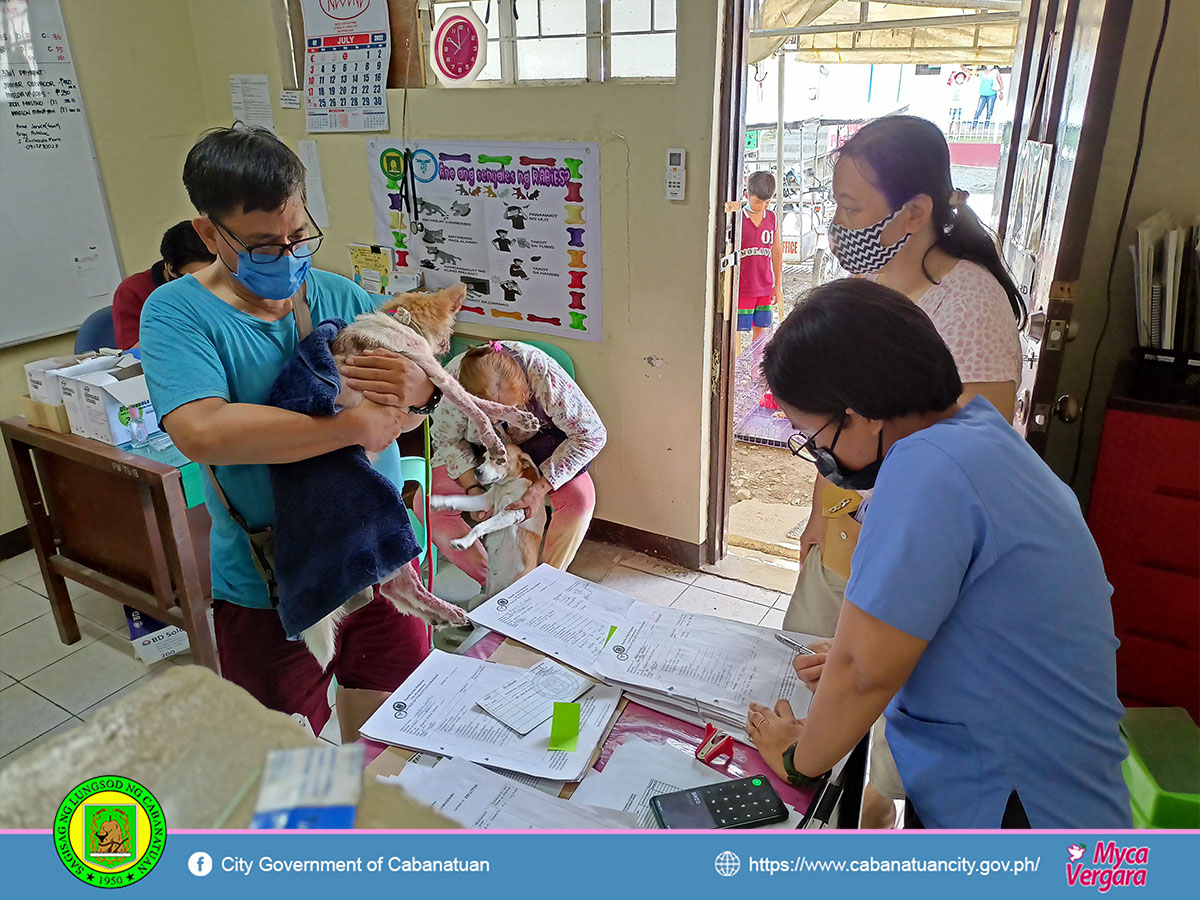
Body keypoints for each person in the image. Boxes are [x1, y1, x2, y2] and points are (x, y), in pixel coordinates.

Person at [748, 280, 1131, 829]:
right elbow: (973, 622)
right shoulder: (980, 436)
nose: (821, 456)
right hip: (1053, 780)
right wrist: (859, 647)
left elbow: (862, 671)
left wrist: (798, 758)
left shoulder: (925, 469)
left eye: (814, 434)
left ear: (860, 412)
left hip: (1022, 807)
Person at [140, 126, 440, 742]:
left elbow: (406, 404)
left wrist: (421, 395)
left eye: (298, 235)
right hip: (270, 581)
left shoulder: (339, 294)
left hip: (376, 555)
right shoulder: (177, 313)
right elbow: (204, 430)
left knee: (395, 742)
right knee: (286, 764)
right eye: (262, 245)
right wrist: (349, 426)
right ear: (208, 233)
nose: (288, 255)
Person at [783, 114, 1024, 826]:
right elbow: (835, 424)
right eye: (835, 204)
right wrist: (815, 515)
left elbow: (968, 469)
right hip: (844, 544)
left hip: (907, 564)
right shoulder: (869, 282)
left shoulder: (971, 305)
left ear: (914, 211)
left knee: (880, 754)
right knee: (805, 688)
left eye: (851, 208)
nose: (836, 222)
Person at [427, 341, 605, 589]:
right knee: (428, 506)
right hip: (480, 453)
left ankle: (541, 586)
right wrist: (473, 489)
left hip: (543, 447)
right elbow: (446, 440)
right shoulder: (453, 382)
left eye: (509, 410)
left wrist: (539, 488)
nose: (499, 420)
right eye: (490, 414)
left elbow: (592, 434)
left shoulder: (543, 374)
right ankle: (497, 585)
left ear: (525, 392)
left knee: (580, 501)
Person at [111, 221, 214, 349]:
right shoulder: (132, 291)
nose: (202, 286)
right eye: (193, 279)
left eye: (208, 275)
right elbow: (133, 355)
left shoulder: (221, 281)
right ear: (170, 269)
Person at [737, 170, 784, 345]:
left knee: (761, 331)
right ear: (747, 195)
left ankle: (757, 371)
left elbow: (777, 251)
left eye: (767, 202)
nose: (762, 206)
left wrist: (777, 285)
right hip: (742, 287)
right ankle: (734, 369)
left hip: (764, 286)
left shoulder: (772, 218)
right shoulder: (737, 219)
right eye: (757, 201)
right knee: (737, 331)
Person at [972, 65, 1004, 130]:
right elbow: (972, 73)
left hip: (992, 94)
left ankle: (986, 126)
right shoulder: (981, 72)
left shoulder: (995, 72)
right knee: (978, 110)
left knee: (989, 111)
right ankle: (974, 125)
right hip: (983, 94)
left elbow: (1000, 81)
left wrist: (1001, 92)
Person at [946, 69, 968, 135]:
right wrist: (958, 71)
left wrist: (963, 70)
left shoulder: (964, 85)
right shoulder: (953, 85)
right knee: (951, 119)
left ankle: (957, 133)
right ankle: (949, 132)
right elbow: (952, 76)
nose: (960, 78)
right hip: (953, 105)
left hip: (960, 105)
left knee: (958, 120)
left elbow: (968, 76)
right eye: (959, 77)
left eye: (962, 77)